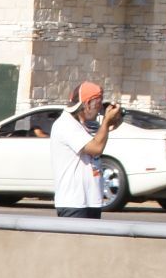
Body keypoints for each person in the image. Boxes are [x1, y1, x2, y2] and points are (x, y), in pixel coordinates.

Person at [50, 80, 121, 219]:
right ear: (87, 104)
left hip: (90, 201)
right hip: (74, 203)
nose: (100, 109)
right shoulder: (65, 124)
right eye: (98, 104)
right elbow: (96, 148)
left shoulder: (82, 125)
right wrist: (106, 122)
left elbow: (96, 140)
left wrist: (110, 124)